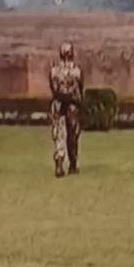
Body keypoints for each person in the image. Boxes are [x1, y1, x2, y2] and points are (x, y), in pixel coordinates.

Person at [48, 42, 83, 178]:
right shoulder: (77, 71)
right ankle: (72, 165)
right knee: (72, 136)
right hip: (72, 105)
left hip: (58, 104)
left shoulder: (54, 71)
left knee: (59, 136)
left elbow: (54, 89)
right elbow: (79, 90)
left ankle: (59, 164)